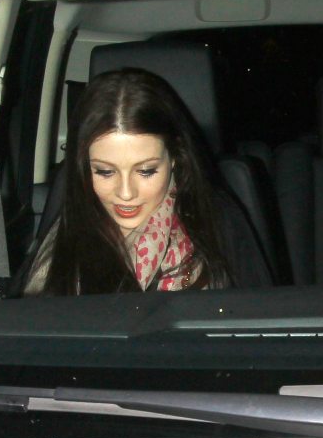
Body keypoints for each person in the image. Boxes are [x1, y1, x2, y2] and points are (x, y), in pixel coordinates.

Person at [22, 68, 272, 295]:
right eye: (105, 172)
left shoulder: (219, 221)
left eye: (146, 171)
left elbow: (259, 325)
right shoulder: (65, 233)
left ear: (174, 157)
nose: (126, 193)